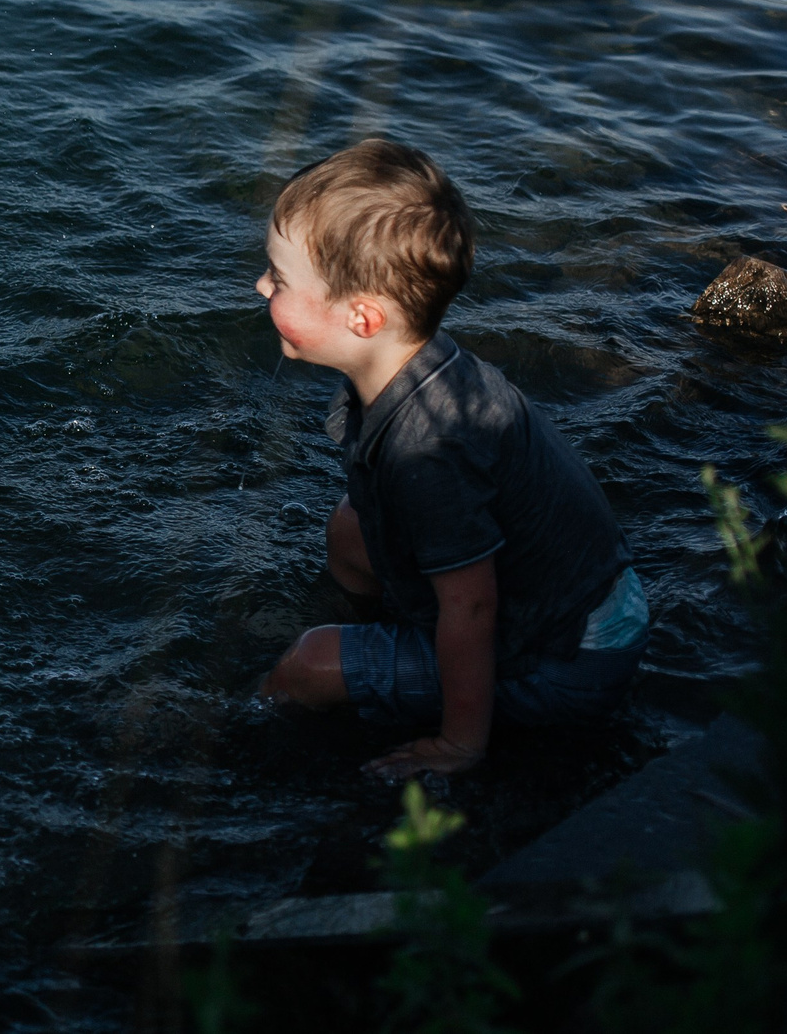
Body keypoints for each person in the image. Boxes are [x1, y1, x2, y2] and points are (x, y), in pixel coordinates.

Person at [254, 139, 648, 780]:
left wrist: (460, 743)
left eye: (280, 278)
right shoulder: (414, 363)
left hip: (568, 663)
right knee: (351, 529)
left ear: (362, 316)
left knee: (306, 665)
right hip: (584, 604)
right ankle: (385, 654)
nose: (261, 284)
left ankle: (275, 743)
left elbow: (472, 608)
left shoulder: (429, 449)